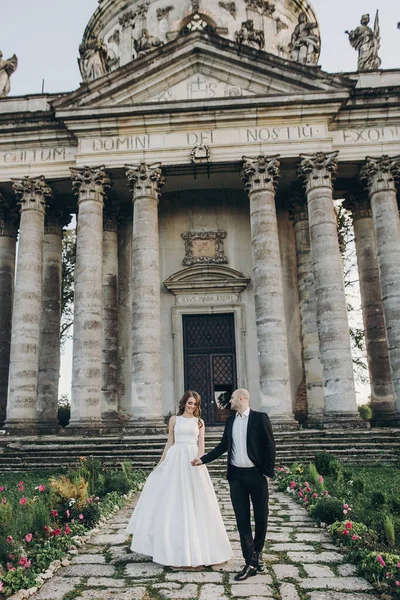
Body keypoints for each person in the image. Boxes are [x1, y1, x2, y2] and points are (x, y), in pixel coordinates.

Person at [126, 391, 232, 567]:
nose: (192, 406)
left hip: (192, 460)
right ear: (184, 403)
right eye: (190, 403)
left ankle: (200, 548)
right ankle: (172, 547)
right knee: (173, 501)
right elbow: (170, 442)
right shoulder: (174, 420)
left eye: (195, 404)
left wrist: (200, 461)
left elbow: (201, 446)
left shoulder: (200, 422)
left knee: (196, 501)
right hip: (175, 459)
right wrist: (160, 463)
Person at [192, 388, 275, 581]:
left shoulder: (260, 418)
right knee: (242, 519)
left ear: (242, 398)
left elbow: (270, 446)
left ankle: (257, 551)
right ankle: (250, 561)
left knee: (261, 517)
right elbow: (223, 446)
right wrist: (203, 459)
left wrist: (267, 474)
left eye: (232, 398)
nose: (229, 401)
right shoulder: (230, 421)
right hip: (236, 476)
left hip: (257, 475)